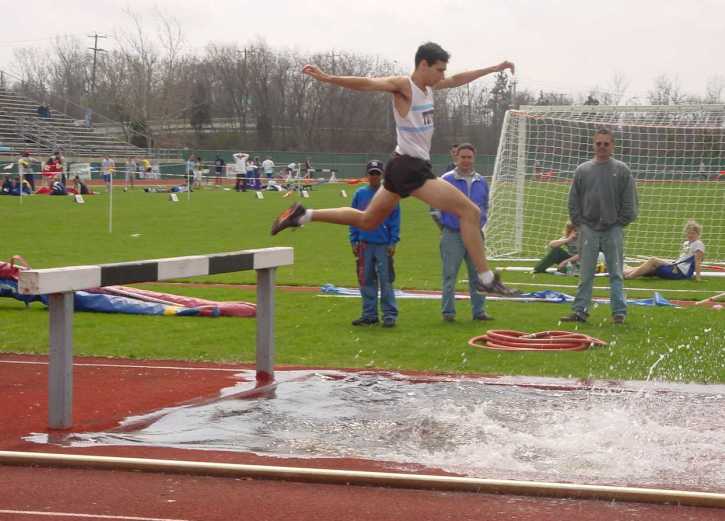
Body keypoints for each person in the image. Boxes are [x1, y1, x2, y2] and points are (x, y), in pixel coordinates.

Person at [271, 42, 517, 296]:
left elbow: (458, 79)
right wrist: (327, 78)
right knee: (470, 212)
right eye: (439, 69)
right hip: (410, 167)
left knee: (367, 220)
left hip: (402, 165)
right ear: (423, 65)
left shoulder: (430, 87)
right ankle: (485, 278)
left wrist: (495, 68)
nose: (443, 75)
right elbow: (367, 83)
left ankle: (303, 214)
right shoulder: (403, 86)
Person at [561, 128, 638, 325]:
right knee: (585, 274)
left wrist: (621, 222)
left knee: (616, 274)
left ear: (612, 145)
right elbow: (573, 200)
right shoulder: (583, 170)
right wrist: (579, 223)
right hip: (588, 230)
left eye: (606, 143)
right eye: (598, 143)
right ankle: (580, 311)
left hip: (613, 229)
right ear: (593, 145)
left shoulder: (622, 170)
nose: (602, 147)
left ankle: (619, 313)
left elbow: (630, 201)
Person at [432, 143, 493, 322]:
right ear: (456, 158)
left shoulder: (481, 181)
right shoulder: (445, 180)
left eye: (469, 157)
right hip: (453, 234)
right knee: (450, 275)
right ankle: (448, 312)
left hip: (475, 235)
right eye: (462, 157)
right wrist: (445, 227)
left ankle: (479, 312)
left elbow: (485, 206)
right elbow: (434, 208)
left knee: (479, 274)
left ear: (474, 158)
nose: (466, 160)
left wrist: (479, 225)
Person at [349, 160, 400, 328]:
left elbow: (395, 220)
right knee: (366, 280)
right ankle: (369, 315)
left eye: (377, 173)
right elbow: (352, 218)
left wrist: (393, 241)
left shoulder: (390, 194)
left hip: (383, 244)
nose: (374, 176)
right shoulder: (360, 194)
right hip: (364, 244)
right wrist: (353, 239)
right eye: (371, 173)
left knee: (386, 281)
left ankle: (389, 315)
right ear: (367, 175)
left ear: (382, 175)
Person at [624, 220, 705, 281]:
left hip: (680, 273)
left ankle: (629, 276)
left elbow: (697, 262)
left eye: (693, 233)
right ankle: (626, 272)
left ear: (698, 234)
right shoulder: (686, 243)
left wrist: (698, 278)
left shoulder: (698, 244)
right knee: (649, 266)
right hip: (675, 266)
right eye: (689, 233)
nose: (690, 235)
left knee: (653, 261)